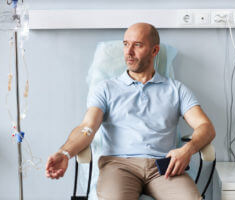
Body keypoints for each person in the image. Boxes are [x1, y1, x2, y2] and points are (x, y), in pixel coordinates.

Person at [45, 22, 215, 200]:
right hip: (119, 166)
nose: (128, 52)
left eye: (138, 45)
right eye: (126, 44)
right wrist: (65, 153)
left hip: (163, 167)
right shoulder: (106, 89)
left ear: (154, 51)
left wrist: (187, 150)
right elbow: (87, 127)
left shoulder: (176, 89)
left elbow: (206, 127)